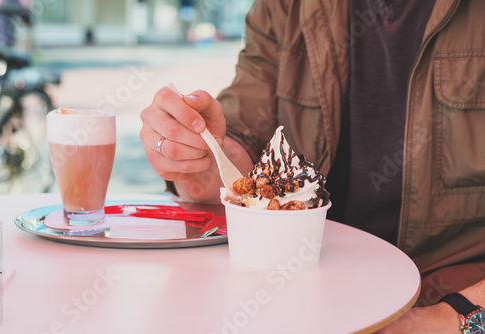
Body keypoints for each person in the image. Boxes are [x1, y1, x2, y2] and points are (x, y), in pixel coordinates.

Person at [140, 0, 485, 332]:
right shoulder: (284, 7)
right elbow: (243, 144)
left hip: (450, 292)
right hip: (303, 291)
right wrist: (196, 157)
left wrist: (461, 316)